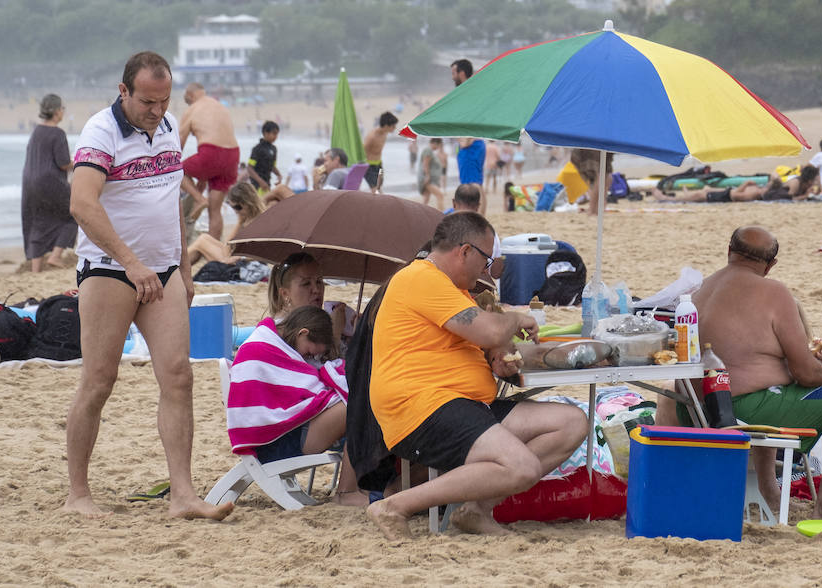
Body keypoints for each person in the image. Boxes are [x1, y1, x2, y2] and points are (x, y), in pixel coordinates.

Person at [64, 51, 233, 520]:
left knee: (179, 376)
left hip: (164, 271)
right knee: (99, 381)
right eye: (147, 102)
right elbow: (82, 203)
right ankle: (77, 494)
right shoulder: (100, 132)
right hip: (109, 271)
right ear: (123, 91)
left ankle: (183, 495)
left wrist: (183, 265)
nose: (157, 112)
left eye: (164, 101)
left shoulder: (167, 125)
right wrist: (132, 263)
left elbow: (169, 200)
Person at [366, 212, 588, 537]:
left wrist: (497, 360)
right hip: (423, 408)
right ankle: (395, 506)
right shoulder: (421, 278)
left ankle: (476, 510)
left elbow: (485, 343)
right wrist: (513, 319)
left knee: (571, 423)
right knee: (522, 467)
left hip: (463, 404)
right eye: (487, 260)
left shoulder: (453, 289)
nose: (488, 270)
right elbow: (490, 331)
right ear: (465, 251)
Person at [687, 227, 822, 520]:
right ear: (771, 265)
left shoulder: (702, 289)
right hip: (739, 411)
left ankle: (770, 490)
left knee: (774, 393)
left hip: (697, 408)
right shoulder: (774, 291)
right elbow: (806, 372)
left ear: (729, 251)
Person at [225, 305, 369, 505]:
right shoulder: (260, 348)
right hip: (274, 445)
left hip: (283, 437)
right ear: (303, 333)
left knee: (357, 401)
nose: (310, 360)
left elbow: (296, 389)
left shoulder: (278, 346)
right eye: (310, 354)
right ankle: (346, 492)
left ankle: (361, 487)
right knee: (355, 406)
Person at [178, 82, 240, 242]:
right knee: (215, 211)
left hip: (211, 152)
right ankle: (214, 250)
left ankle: (199, 199)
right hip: (233, 155)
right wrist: (202, 177)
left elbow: (179, 145)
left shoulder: (192, 109)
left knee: (178, 170)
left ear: (190, 96)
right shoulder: (220, 107)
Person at [22, 93, 78, 272]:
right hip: (50, 182)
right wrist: (77, 162)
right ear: (56, 111)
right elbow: (63, 164)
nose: (63, 112)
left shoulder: (36, 131)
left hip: (30, 184)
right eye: (62, 108)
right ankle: (55, 256)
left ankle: (36, 269)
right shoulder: (58, 133)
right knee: (75, 213)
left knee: (40, 221)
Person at [268, 252, 357, 347]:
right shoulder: (279, 333)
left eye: (319, 281)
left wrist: (358, 333)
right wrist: (335, 333)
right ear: (285, 293)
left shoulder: (315, 321)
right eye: (306, 283)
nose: (316, 290)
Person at [186, 180, 265, 266]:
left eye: (238, 207)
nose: (236, 211)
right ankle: (181, 267)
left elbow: (263, 251)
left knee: (201, 242)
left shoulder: (260, 220)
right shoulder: (246, 218)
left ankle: (179, 268)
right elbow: (228, 244)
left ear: (248, 202)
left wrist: (240, 257)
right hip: (236, 258)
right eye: (233, 207)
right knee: (204, 237)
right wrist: (239, 222)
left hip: (245, 264)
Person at [569, 148, 612, 215]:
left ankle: (594, 208)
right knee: (602, 175)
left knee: (601, 175)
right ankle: (594, 208)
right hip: (595, 147)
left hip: (589, 146)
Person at [362, 112, 397, 192]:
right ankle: (384, 204)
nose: (395, 128)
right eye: (393, 126)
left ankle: (377, 203)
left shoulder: (385, 133)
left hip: (379, 164)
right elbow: (362, 151)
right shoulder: (372, 136)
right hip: (369, 166)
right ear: (386, 126)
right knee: (375, 189)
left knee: (379, 187)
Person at [247, 121, 281, 192]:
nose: (276, 137)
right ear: (266, 133)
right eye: (274, 133)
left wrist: (279, 175)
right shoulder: (257, 149)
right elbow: (250, 168)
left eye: (277, 134)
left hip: (267, 184)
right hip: (256, 186)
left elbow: (272, 167)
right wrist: (260, 181)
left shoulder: (274, 149)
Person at [417, 138, 447, 210]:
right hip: (428, 180)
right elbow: (425, 164)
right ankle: (441, 215)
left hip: (429, 179)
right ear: (435, 143)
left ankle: (419, 215)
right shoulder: (428, 150)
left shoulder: (431, 151)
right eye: (439, 145)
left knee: (426, 199)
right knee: (440, 195)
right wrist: (427, 176)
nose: (439, 147)